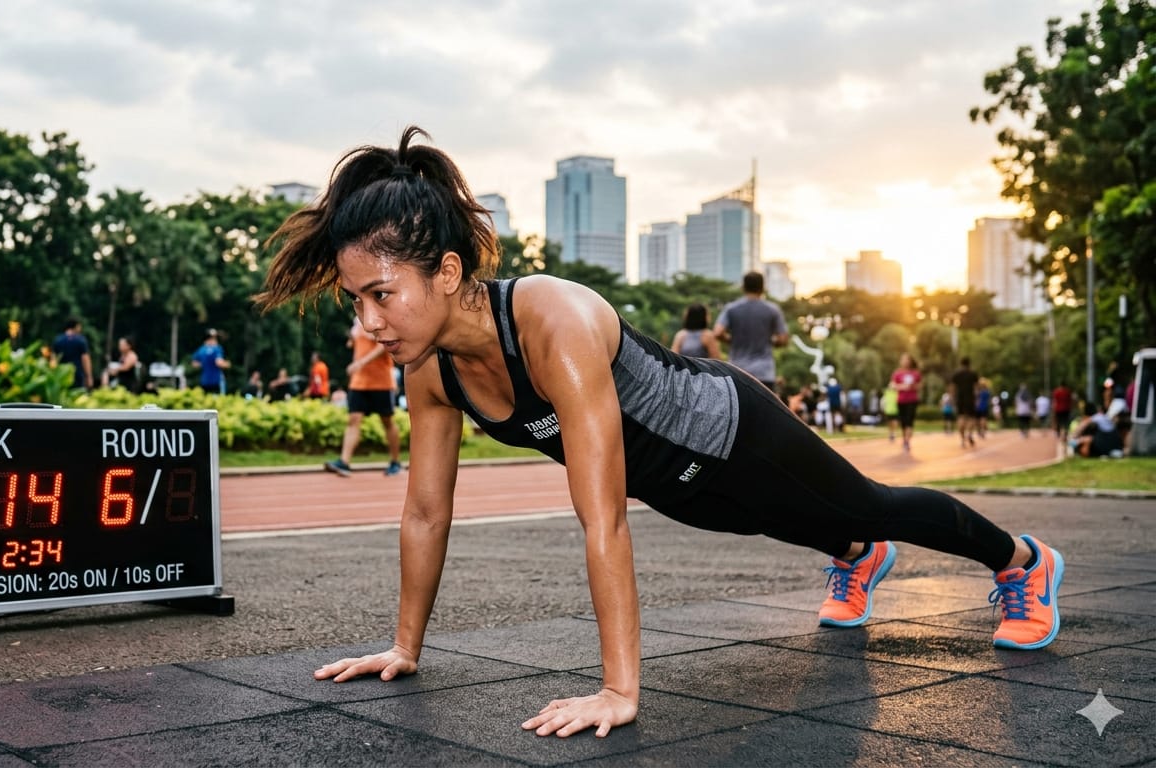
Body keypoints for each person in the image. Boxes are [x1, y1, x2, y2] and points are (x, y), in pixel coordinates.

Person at [253, 126, 1064, 740]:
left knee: (870, 502)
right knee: (795, 524)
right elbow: (426, 512)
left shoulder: (551, 320)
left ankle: (1024, 563)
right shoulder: (431, 370)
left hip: (731, 432)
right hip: (677, 485)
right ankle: (855, 558)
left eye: (381, 295)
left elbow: (599, 515)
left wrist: (619, 689)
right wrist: (404, 647)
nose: (366, 323)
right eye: (355, 300)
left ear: (450, 273)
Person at [324, 317, 403, 477]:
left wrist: (361, 363)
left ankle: (395, 462)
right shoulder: (356, 323)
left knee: (387, 421)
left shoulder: (380, 320)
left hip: (381, 380)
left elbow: (384, 346)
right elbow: (357, 347)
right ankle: (344, 462)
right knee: (354, 419)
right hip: (359, 382)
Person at [713, 271, 789, 394]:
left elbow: (717, 332)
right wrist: (769, 340)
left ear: (743, 287)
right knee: (763, 412)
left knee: (739, 412)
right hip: (764, 372)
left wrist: (732, 340)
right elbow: (783, 339)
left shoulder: (731, 308)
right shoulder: (772, 310)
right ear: (763, 288)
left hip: (737, 370)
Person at [51, 317, 93, 391]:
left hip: (62, 376)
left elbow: (53, 360)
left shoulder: (58, 340)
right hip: (77, 375)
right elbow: (85, 359)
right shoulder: (80, 340)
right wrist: (88, 376)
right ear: (76, 326)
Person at [890, 353, 921, 451]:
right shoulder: (897, 373)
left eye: (907, 359)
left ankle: (907, 441)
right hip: (901, 400)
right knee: (903, 422)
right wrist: (902, 386)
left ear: (910, 361)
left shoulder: (915, 373)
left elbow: (920, 386)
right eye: (903, 359)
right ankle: (905, 439)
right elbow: (892, 385)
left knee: (909, 421)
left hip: (912, 400)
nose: (905, 361)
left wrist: (912, 386)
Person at [191, 329, 231, 395]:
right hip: (216, 380)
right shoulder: (217, 348)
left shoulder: (201, 349)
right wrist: (227, 364)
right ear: (213, 338)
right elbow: (218, 363)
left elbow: (194, 364)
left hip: (204, 381)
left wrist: (205, 364)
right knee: (218, 401)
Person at [951, 357, 979, 448]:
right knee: (971, 418)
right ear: (969, 364)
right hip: (970, 398)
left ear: (961, 364)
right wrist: (976, 399)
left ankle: (962, 439)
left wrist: (953, 398)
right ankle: (969, 433)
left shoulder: (956, 374)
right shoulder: (973, 374)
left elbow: (953, 387)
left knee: (960, 418)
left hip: (960, 399)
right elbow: (976, 388)